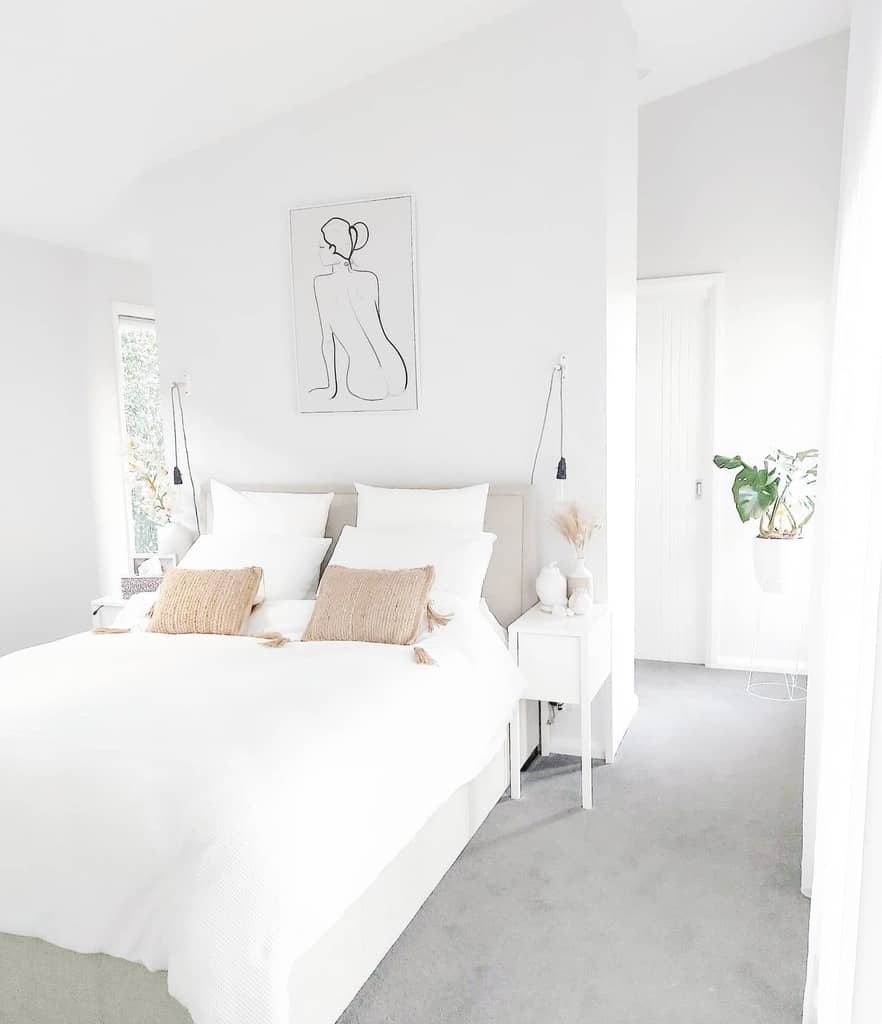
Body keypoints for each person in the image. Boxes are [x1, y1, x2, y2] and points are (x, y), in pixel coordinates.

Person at [309, 217, 408, 401]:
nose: (318, 251)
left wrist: (332, 388)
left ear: (333, 249)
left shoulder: (321, 285)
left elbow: (328, 342)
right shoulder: (369, 279)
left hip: (363, 380)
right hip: (397, 371)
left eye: (321, 247)